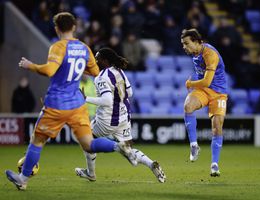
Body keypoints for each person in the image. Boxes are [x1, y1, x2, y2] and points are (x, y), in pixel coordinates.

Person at [5, 12, 136, 191]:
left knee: (37, 140)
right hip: (77, 104)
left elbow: (50, 70)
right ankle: (119, 146)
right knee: (89, 144)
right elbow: (96, 72)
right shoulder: (84, 48)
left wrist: (31, 66)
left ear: (57, 28)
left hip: (57, 103)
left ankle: (23, 179)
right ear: (74, 27)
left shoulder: (58, 47)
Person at [75, 47, 166, 183]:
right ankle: (151, 164)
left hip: (107, 119)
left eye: (97, 58)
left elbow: (107, 101)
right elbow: (130, 93)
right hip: (124, 117)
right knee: (130, 153)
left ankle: (91, 173)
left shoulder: (101, 77)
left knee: (86, 141)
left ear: (104, 60)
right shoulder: (120, 72)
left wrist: (86, 98)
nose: (95, 61)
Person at [181, 29, 227, 177]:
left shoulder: (210, 54)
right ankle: (194, 145)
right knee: (188, 106)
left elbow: (207, 81)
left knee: (217, 127)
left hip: (218, 93)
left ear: (197, 42)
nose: (184, 47)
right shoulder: (195, 53)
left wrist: (190, 84)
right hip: (204, 90)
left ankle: (214, 164)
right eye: (183, 44)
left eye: (186, 43)